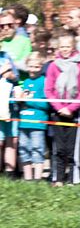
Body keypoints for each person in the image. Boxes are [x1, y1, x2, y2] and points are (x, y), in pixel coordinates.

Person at [43, 30, 80, 186]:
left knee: (72, 148)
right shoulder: (53, 66)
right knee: (59, 148)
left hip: (75, 113)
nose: (64, 49)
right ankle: (58, 178)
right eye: (62, 46)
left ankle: (73, 179)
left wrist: (71, 108)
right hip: (57, 112)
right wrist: (59, 108)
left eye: (67, 46)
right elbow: (48, 90)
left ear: (73, 47)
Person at [17, 52, 49, 181]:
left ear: (41, 67)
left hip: (37, 123)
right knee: (23, 149)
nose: (33, 70)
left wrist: (29, 100)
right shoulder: (25, 82)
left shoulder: (44, 81)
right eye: (30, 66)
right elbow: (20, 100)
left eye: (36, 67)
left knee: (37, 148)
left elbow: (46, 104)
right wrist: (18, 100)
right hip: (23, 121)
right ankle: (28, 177)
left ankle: (37, 178)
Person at [0, 43, 19, 177]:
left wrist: (11, 76)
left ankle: (10, 173)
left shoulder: (5, 56)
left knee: (11, 139)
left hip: (9, 104)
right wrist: (2, 71)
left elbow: (16, 77)